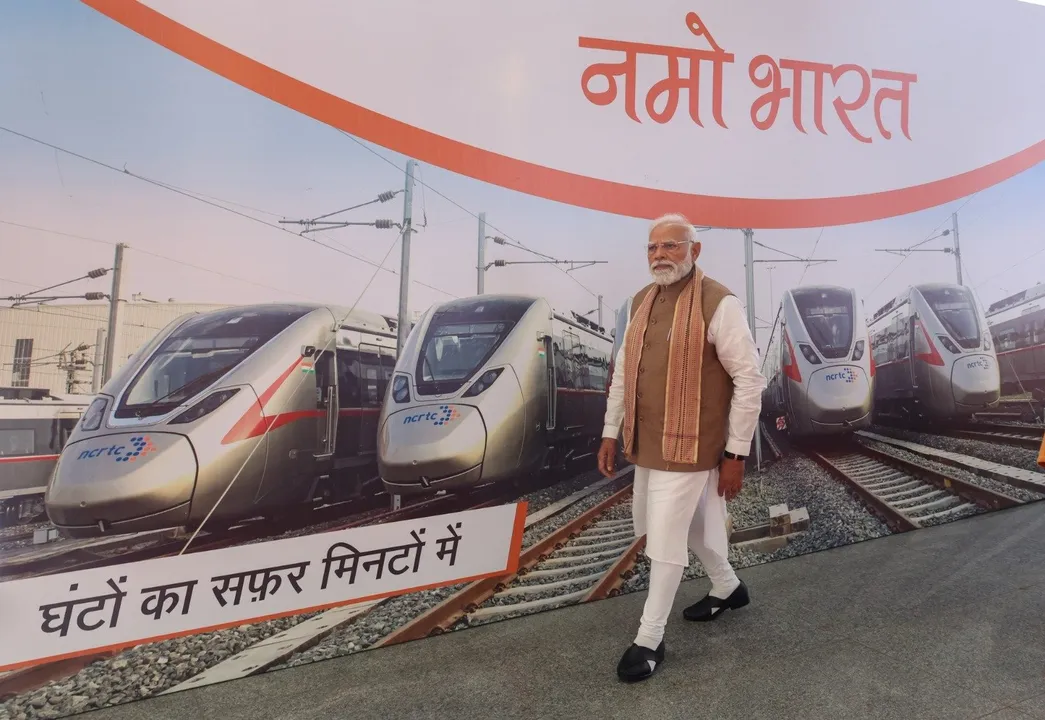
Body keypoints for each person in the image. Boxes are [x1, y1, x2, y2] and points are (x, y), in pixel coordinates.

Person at [598, 213, 767, 682]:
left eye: (671, 246)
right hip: (646, 442)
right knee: (689, 527)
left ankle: (649, 638)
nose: (660, 255)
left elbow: (750, 380)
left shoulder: (718, 302)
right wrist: (610, 430)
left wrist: (736, 454)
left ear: (695, 250)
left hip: (692, 447)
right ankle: (728, 587)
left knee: (664, 539)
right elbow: (622, 373)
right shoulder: (640, 302)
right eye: (653, 247)